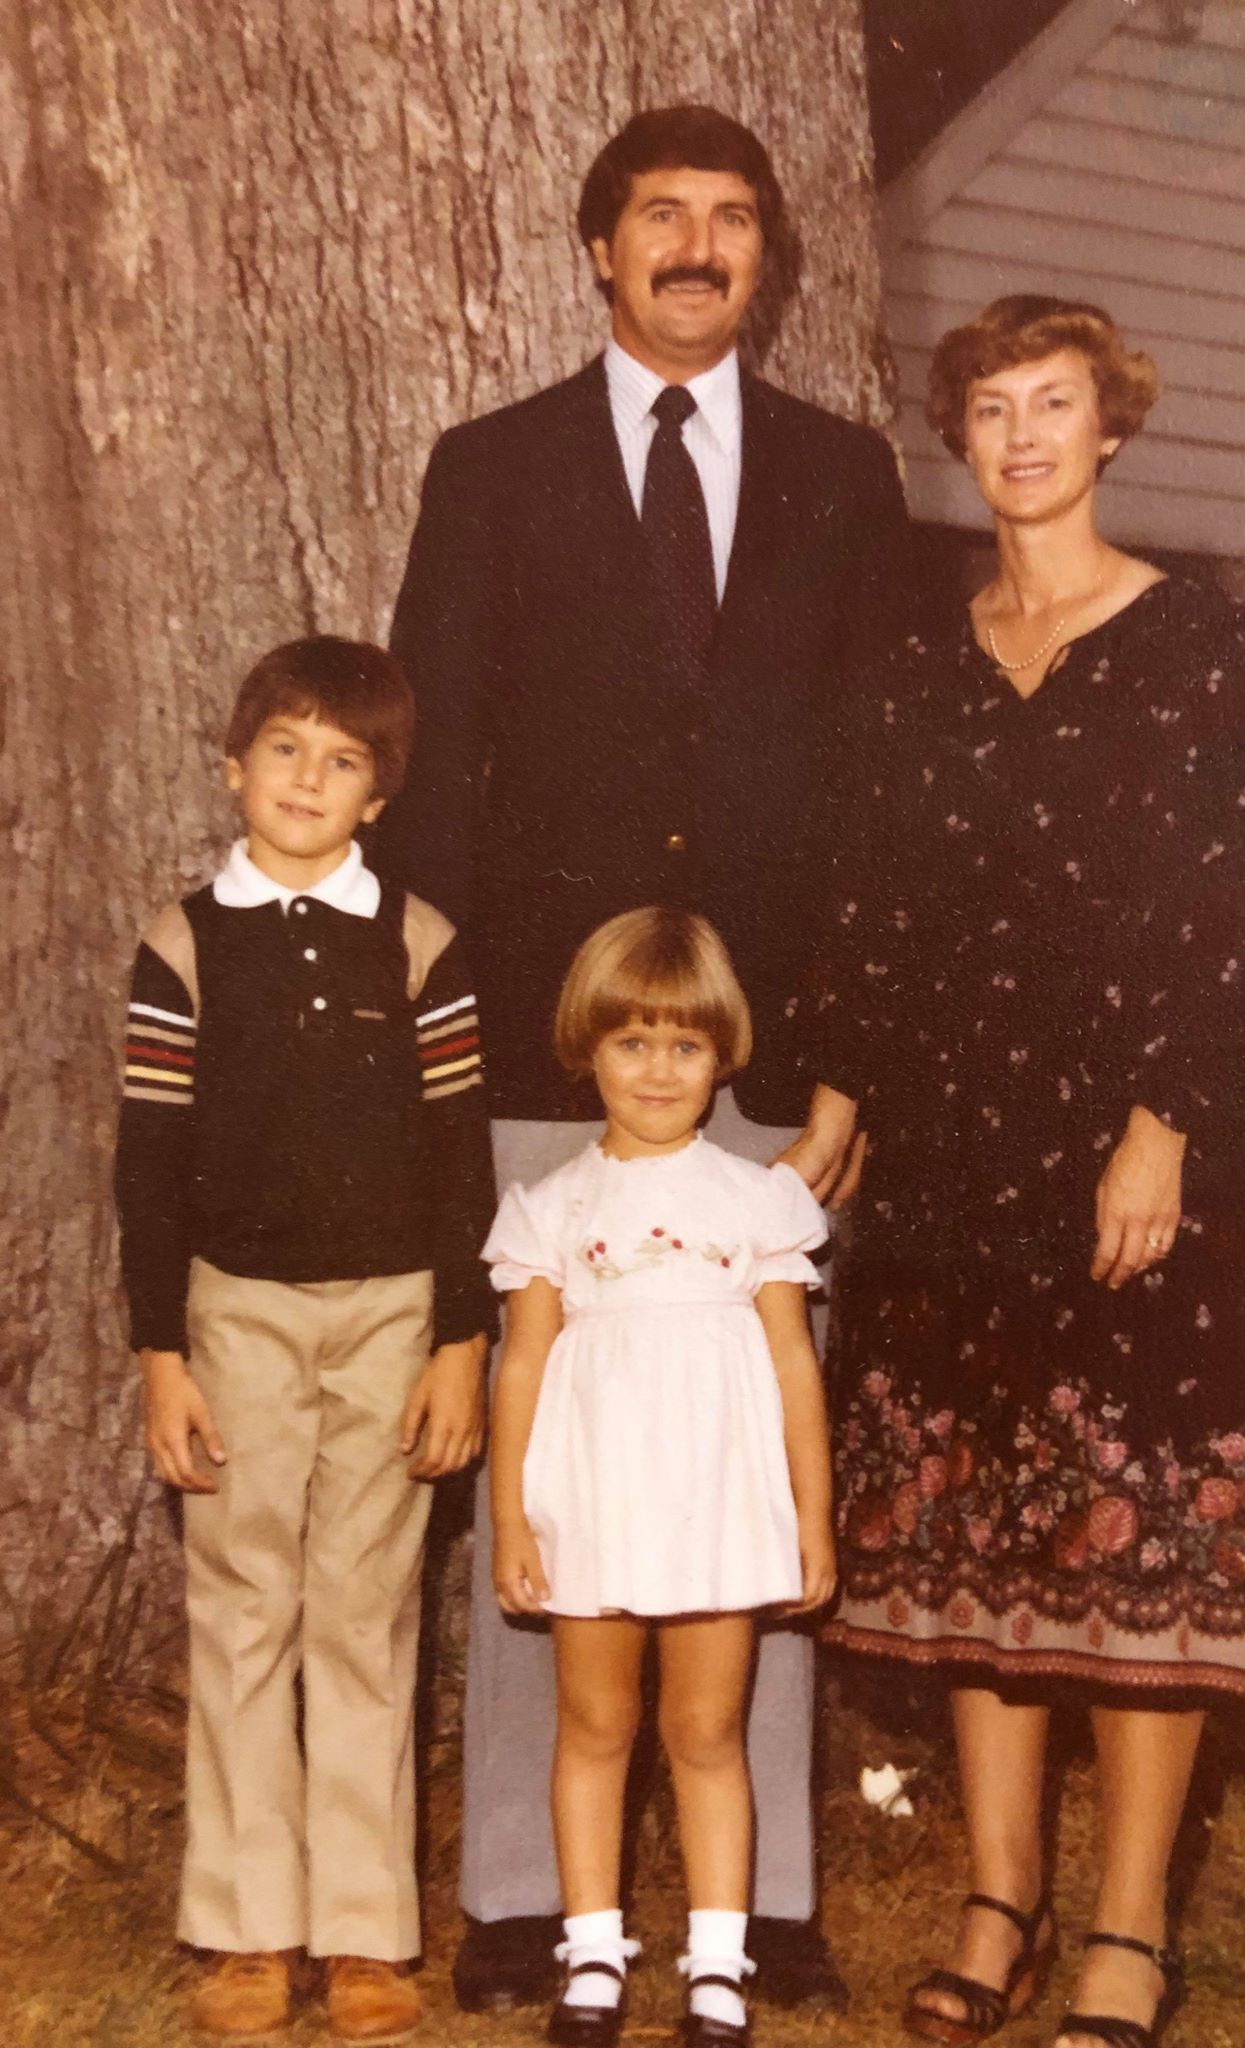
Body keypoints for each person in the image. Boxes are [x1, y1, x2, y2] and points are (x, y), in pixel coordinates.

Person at [375, 103, 908, 2013]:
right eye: (661, 216)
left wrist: (840, 1046)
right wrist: (449, 1053)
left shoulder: (847, 479)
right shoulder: (496, 467)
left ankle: (751, 1902)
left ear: (773, 256)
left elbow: (877, 782)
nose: (699, 244)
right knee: (561, 1451)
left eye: (734, 219)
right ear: (600, 249)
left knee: (749, 1461)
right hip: (547, 1053)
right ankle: (532, 1890)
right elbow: (430, 793)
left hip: (755, 1054)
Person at [811, 297, 1245, 2048]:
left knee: (1138, 1529)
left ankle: (1128, 1923)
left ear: (1112, 428)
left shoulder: (1184, 644)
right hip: (951, 1146)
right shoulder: (923, 662)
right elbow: (873, 915)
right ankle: (998, 1896)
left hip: (1125, 1150)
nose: (1022, 435)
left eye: (1056, 404)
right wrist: (836, 1114)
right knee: (976, 1537)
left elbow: (1232, 910)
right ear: (965, 436)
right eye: (993, 407)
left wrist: (1164, 1122)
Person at [114, 638, 497, 2044]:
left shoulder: (422, 943)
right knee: (244, 1607)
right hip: (237, 1315)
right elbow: (145, 1166)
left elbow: (465, 1161)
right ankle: (245, 1927)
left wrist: (461, 1341)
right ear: (234, 763)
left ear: (377, 797)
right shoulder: (181, 943)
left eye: (345, 762)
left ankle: (364, 1933)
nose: (309, 781)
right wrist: (164, 1352)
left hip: (393, 1312)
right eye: (285, 750)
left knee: (362, 1614)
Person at [483, 907, 836, 2048]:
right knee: (594, 1721)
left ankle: (718, 1967)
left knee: (704, 1727)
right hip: (591, 1499)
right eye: (631, 1041)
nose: (657, 1068)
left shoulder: (758, 1197)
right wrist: (510, 1521)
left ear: (722, 1054)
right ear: (588, 1047)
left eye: (684, 1044)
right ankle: (591, 1956)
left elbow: (793, 1364)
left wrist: (811, 1518)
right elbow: (522, 1366)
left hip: (718, 1506)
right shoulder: (551, 1206)